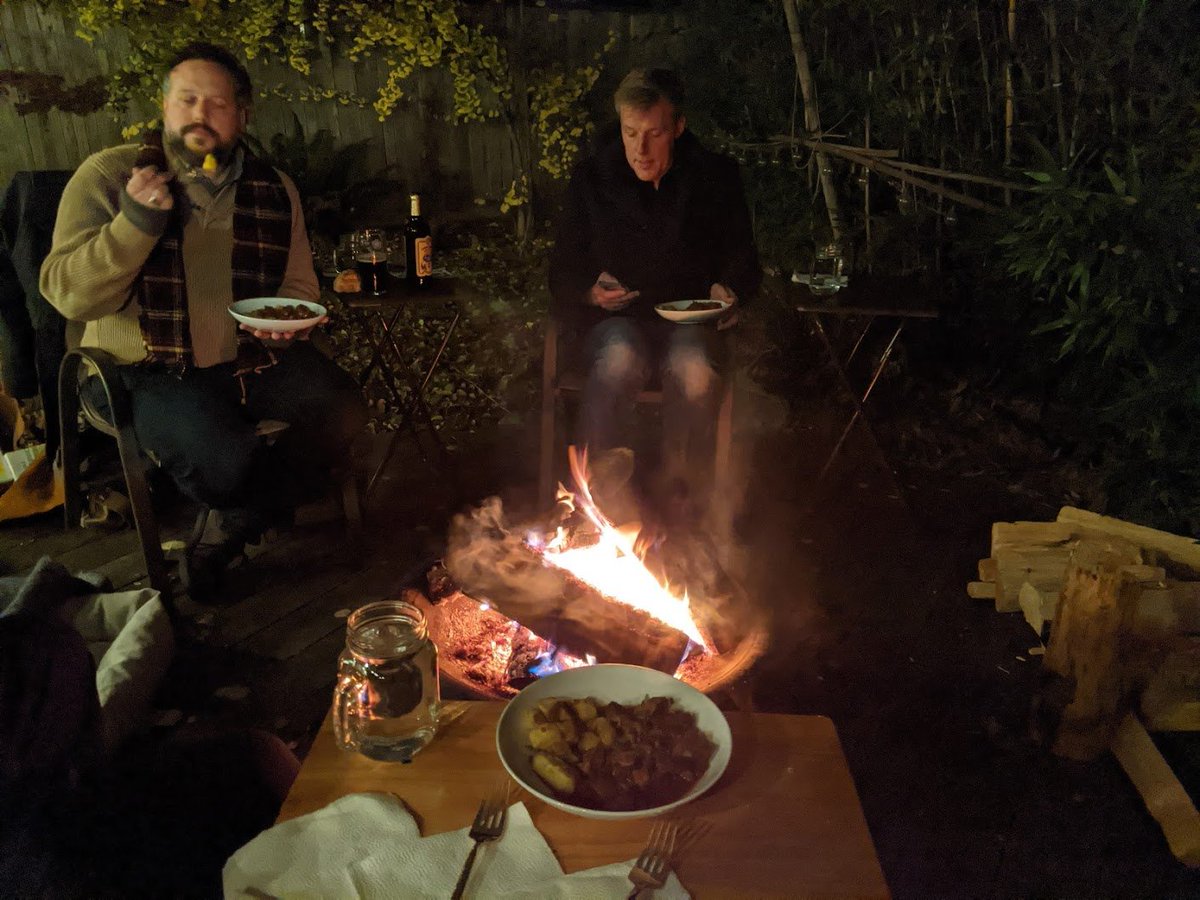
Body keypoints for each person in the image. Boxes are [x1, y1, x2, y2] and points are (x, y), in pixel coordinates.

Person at [41, 42, 367, 600]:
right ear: (165, 106)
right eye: (187, 98)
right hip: (145, 367)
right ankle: (243, 516)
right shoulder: (109, 176)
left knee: (344, 410)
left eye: (217, 103)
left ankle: (233, 522)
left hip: (249, 357)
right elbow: (68, 296)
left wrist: (283, 324)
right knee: (221, 461)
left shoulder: (273, 187)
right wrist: (136, 222)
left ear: (242, 115)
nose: (200, 114)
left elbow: (297, 285)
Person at [549, 67, 760, 506]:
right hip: (617, 321)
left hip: (691, 323)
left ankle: (681, 501)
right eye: (630, 133)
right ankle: (596, 504)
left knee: (694, 369)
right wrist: (590, 292)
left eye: (654, 133)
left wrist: (730, 289)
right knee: (619, 357)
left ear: (679, 127)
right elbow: (561, 269)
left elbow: (743, 256)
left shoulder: (714, 177)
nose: (640, 150)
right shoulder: (592, 179)